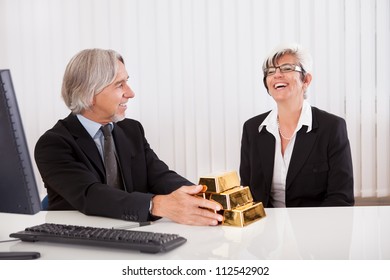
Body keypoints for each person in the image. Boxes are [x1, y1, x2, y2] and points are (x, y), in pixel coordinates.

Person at [34, 48, 223, 225]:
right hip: (79, 243)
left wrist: (202, 198)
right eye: (119, 85)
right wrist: (157, 204)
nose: (130, 93)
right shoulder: (53, 145)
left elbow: (160, 176)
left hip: (131, 235)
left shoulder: (131, 130)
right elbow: (91, 195)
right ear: (89, 93)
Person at [239, 43, 354, 207]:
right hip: (266, 227)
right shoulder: (252, 129)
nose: (277, 74)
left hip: (314, 227)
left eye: (286, 68)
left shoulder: (332, 127)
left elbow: (341, 198)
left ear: (306, 80)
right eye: (270, 71)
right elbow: (247, 195)